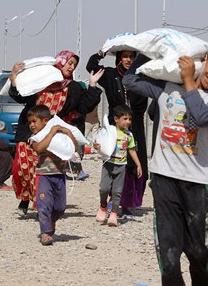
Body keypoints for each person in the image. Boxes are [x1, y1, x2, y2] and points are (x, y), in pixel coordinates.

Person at [123, 38, 208, 285]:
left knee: (198, 251)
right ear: (205, 59)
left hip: (196, 183)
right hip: (164, 179)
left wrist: (190, 80)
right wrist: (151, 47)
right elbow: (130, 80)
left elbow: (200, 117)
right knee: (169, 254)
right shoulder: (166, 88)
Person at [8, 50, 103, 217]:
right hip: (28, 130)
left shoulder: (72, 87)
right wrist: (14, 77)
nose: (72, 67)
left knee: (42, 170)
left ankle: (42, 207)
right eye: (70, 63)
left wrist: (92, 86)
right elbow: (21, 95)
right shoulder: (42, 81)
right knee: (20, 169)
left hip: (51, 134)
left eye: (74, 64)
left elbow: (84, 107)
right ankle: (25, 199)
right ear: (61, 62)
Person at [86, 49, 148, 217]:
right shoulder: (110, 75)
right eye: (125, 56)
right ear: (119, 58)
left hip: (135, 125)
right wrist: (100, 53)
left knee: (136, 162)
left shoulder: (141, 76)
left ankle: (129, 204)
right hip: (115, 128)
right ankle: (111, 203)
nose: (128, 60)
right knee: (115, 162)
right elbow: (91, 66)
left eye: (132, 57)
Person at [27, 105, 78, 246]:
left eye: (34, 121)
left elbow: (74, 147)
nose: (31, 125)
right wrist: (51, 133)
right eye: (29, 122)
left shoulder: (60, 137)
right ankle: (45, 232)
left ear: (45, 121)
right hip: (44, 176)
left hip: (59, 175)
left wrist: (68, 132)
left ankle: (51, 221)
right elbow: (38, 149)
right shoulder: (35, 138)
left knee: (60, 207)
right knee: (44, 204)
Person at [94, 105, 142, 227]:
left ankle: (114, 213)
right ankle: (103, 206)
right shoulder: (110, 132)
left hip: (121, 167)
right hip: (108, 165)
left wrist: (138, 165)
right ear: (116, 119)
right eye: (125, 118)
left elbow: (131, 150)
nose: (128, 122)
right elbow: (100, 143)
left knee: (117, 192)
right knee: (104, 188)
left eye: (129, 119)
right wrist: (97, 147)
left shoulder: (129, 135)